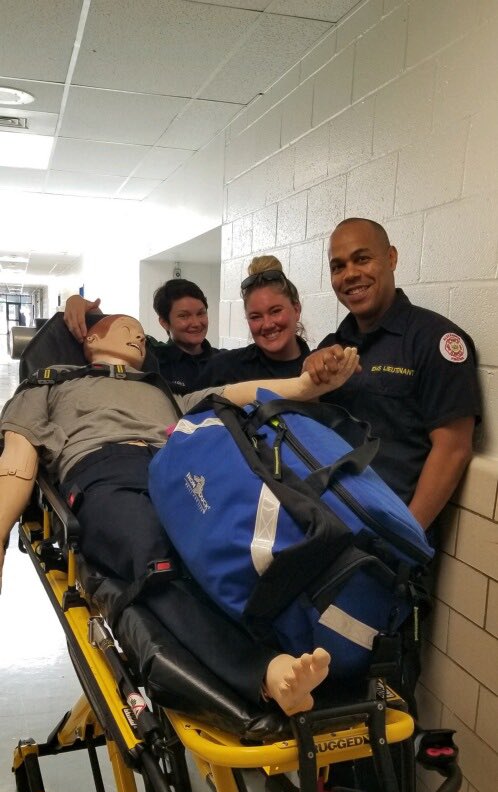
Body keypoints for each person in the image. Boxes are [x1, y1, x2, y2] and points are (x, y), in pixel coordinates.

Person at [0, 313, 359, 716]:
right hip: (105, 471)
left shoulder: (163, 391)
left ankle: (303, 638)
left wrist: (307, 386)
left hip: (177, 468)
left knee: (244, 540)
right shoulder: (51, 380)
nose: (138, 339)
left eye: (141, 335)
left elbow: (236, 393)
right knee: (159, 559)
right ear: (93, 339)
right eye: (126, 330)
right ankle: (265, 670)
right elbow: (18, 457)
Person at [303, 218, 481, 533]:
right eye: (338, 266)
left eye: (362, 258)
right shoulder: (330, 347)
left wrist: (404, 538)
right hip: (321, 524)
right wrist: (309, 377)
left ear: (391, 258)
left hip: (382, 544)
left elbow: (453, 449)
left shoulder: (434, 340)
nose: (350, 274)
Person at [63, 278, 217, 394]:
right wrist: (75, 301)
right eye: (184, 316)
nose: (196, 323)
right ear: (164, 322)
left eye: (201, 313)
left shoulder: (226, 361)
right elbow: (109, 334)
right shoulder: (149, 355)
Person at [196, 256, 311, 387]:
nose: (267, 324)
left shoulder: (319, 371)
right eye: (256, 317)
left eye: (275, 311)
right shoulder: (222, 369)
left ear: (296, 309)